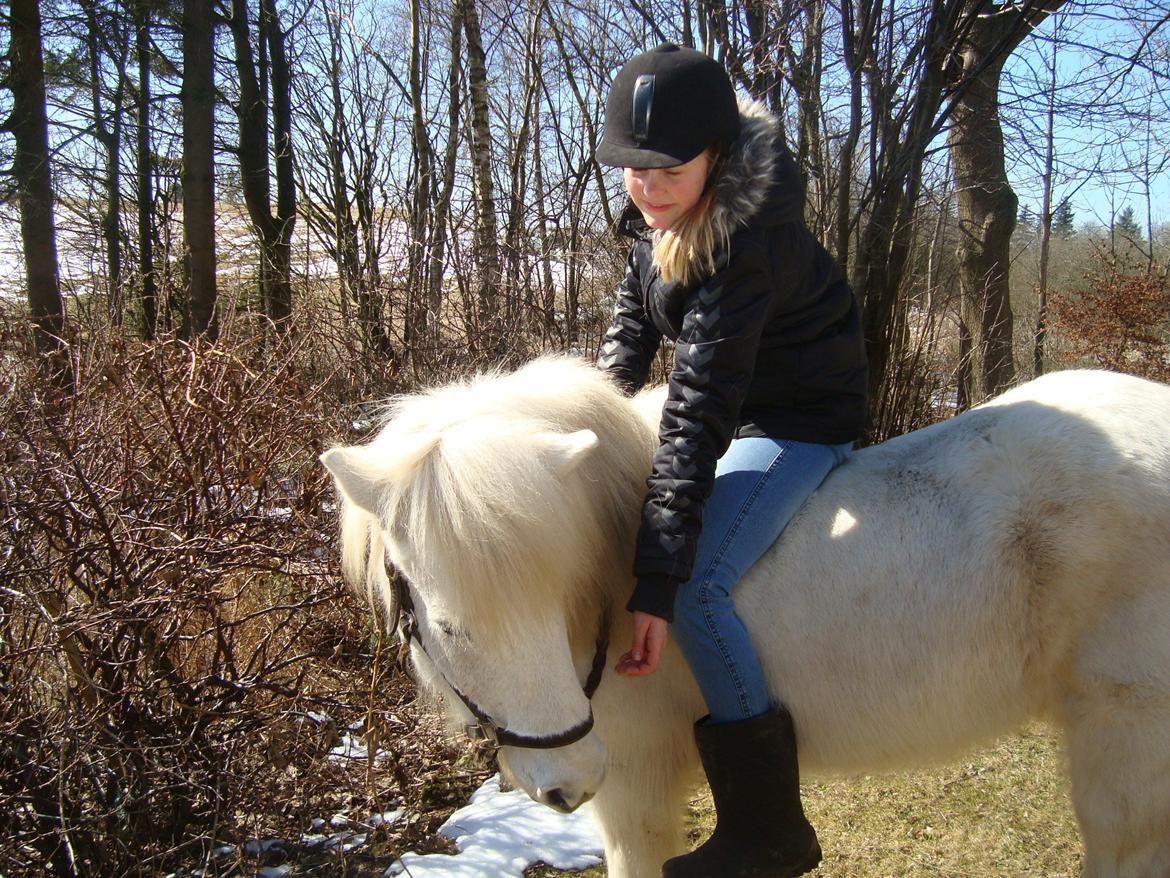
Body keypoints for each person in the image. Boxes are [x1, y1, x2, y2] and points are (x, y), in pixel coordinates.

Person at [595, 44, 868, 878]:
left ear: (717, 155)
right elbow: (627, 344)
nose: (647, 187)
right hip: (744, 410)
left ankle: (769, 827)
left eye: (669, 167)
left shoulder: (746, 241)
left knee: (703, 586)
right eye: (633, 169)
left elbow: (699, 408)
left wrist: (656, 583)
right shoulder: (664, 221)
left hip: (799, 421)